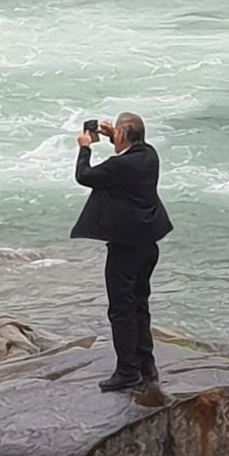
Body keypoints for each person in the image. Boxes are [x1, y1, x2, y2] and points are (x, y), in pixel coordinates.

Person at [71, 112, 173, 393]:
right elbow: (129, 150)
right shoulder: (150, 155)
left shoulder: (119, 166)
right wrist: (110, 135)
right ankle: (146, 364)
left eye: (116, 132)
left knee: (121, 309)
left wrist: (85, 147)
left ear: (123, 137)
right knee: (139, 303)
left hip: (125, 247)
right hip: (148, 243)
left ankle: (127, 370)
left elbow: (85, 176)